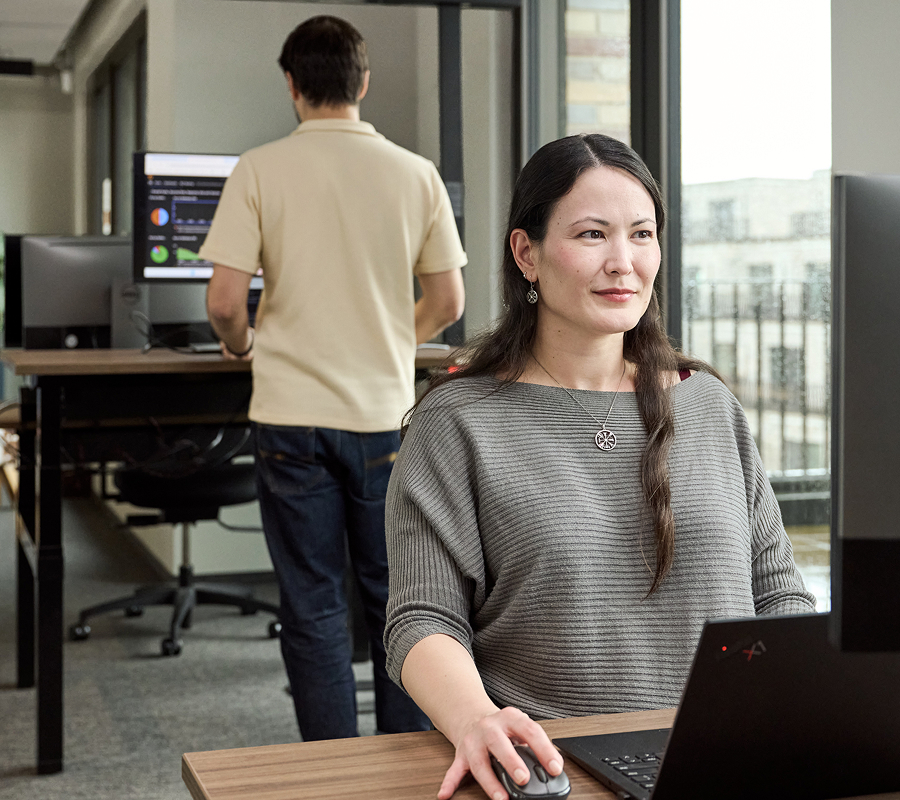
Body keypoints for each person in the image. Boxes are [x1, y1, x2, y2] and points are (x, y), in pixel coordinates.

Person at [383, 133, 816, 799]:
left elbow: (778, 591)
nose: (623, 262)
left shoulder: (707, 404)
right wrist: (476, 718)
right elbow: (424, 617)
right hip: (554, 769)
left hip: (730, 758)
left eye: (642, 235)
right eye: (592, 235)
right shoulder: (458, 421)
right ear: (526, 254)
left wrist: (808, 707)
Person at [201, 15, 467, 741]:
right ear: (364, 82)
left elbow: (224, 302)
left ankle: (332, 775)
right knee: (398, 604)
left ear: (292, 86)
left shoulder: (259, 168)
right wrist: (385, 339)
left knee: (313, 606)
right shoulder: (415, 175)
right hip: (384, 418)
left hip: (291, 418)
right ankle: (410, 773)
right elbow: (448, 303)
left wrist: (245, 343)